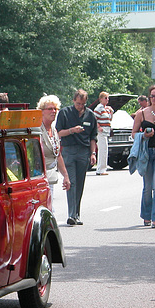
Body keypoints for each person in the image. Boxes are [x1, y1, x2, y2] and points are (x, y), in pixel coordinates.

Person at [56, 89, 98, 226]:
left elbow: (93, 137)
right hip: (69, 150)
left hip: (84, 152)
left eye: (83, 104)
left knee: (80, 183)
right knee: (71, 182)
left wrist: (93, 154)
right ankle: (71, 214)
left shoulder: (90, 115)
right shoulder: (64, 113)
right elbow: (58, 133)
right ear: (74, 100)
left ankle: (76, 214)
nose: (81, 106)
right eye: (79, 103)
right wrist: (72, 130)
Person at [131, 85, 155, 228]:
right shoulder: (142, 113)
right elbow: (133, 133)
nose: (153, 98)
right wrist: (143, 135)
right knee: (148, 186)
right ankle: (146, 215)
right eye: (151, 96)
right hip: (146, 152)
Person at [37, 95, 70, 209]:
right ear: (41, 111)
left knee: (49, 208)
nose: (53, 111)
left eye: (55, 109)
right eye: (50, 109)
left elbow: (58, 154)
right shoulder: (36, 130)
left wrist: (65, 176)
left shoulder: (54, 130)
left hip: (51, 176)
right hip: (39, 177)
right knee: (46, 208)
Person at [93, 91, 114, 176]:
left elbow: (110, 119)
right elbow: (94, 118)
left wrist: (111, 111)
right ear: (100, 99)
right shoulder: (99, 108)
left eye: (108, 98)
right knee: (102, 150)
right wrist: (98, 127)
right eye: (105, 98)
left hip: (106, 132)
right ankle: (100, 169)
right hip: (101, 132)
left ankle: (103, 168)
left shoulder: (106, 109)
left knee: (105, 150)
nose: (107, 100)